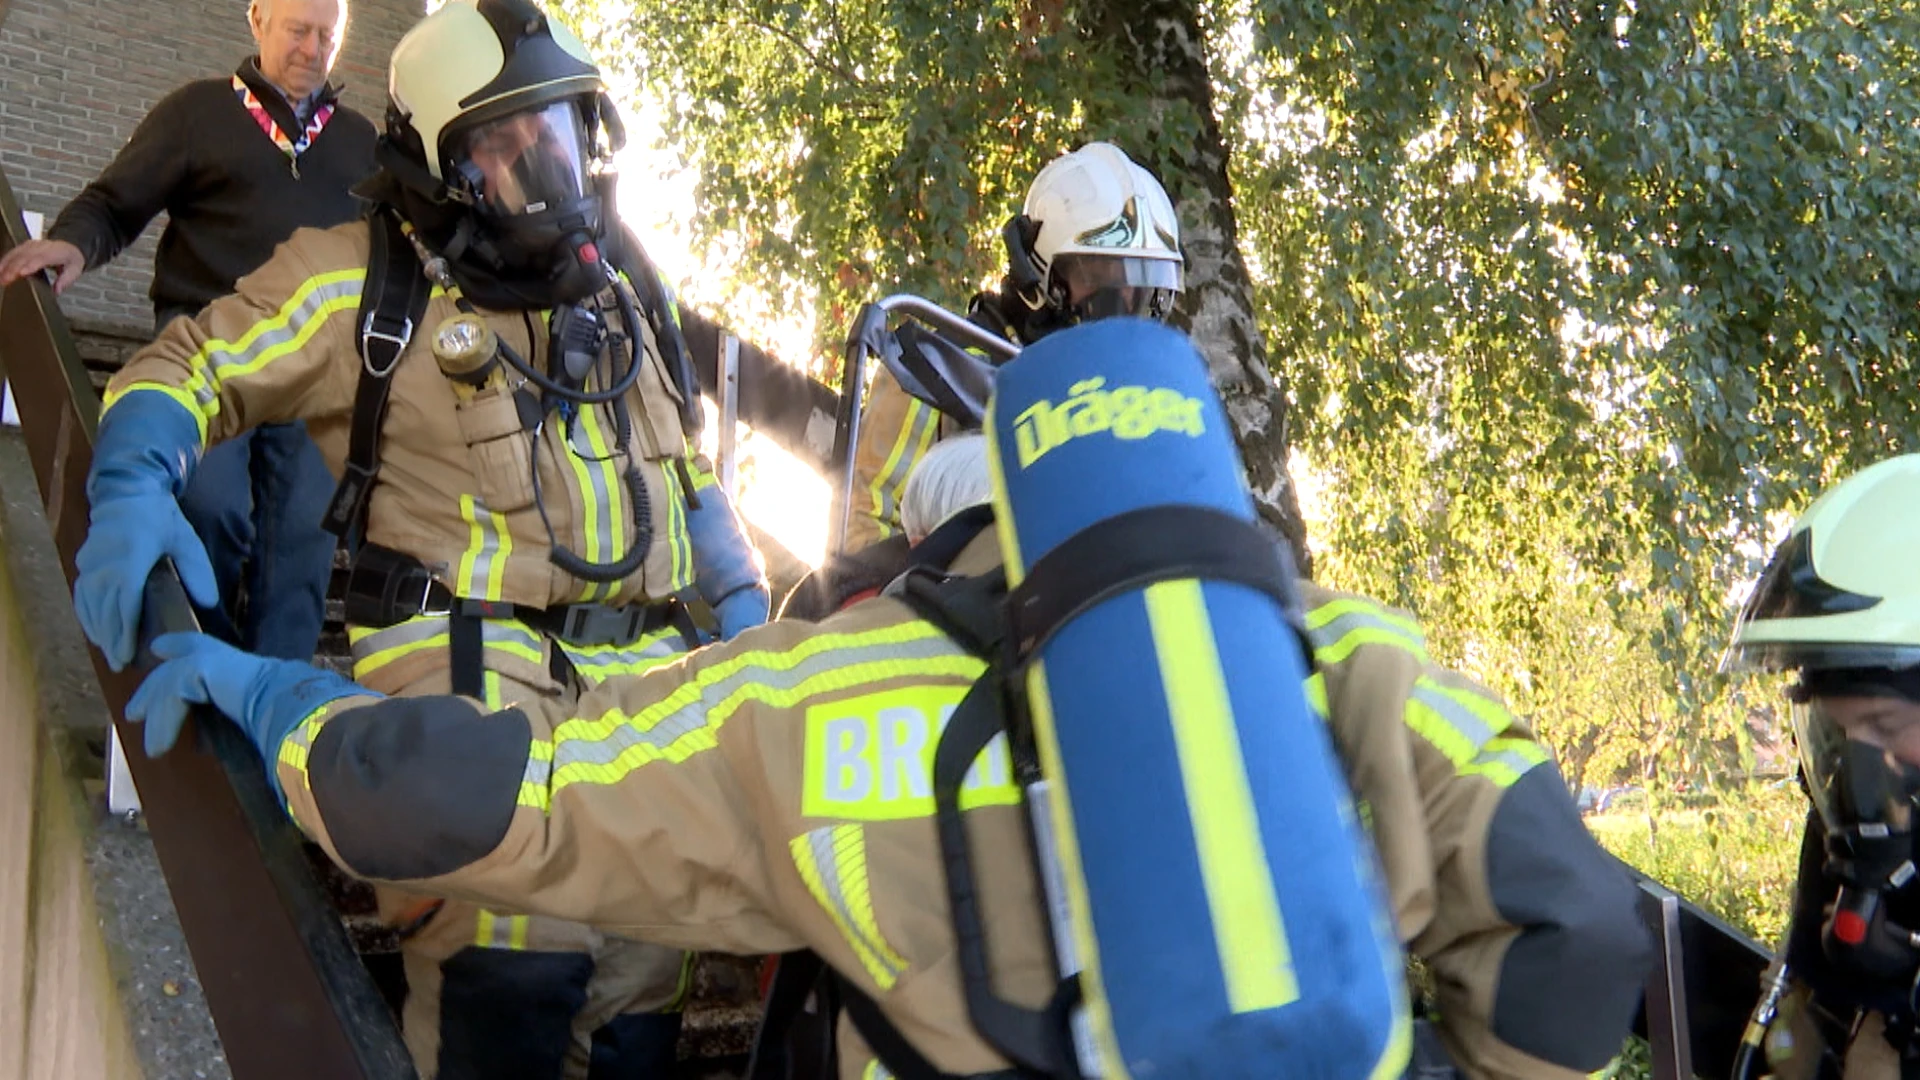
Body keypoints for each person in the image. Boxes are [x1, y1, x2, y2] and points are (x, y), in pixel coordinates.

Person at [116, 320, 1652, 1080]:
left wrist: (274, 696)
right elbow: (1577, 925)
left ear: (930, 538)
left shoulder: (805, 700)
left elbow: (467, 798)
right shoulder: (1359, 655)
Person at [66, 1, 771, 1076]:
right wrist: (132, 483)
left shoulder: (627, 294)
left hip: (650, 703)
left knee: (643, 997)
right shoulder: (361, 280)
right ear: (440, 162)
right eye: (506, 143)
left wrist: (745, 611)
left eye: (562, 133)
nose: (547, 166)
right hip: (469, 693)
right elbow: (186, 366)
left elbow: (687, 478)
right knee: (512, 983)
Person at [0, 0, 375, 662]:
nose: (313, 49)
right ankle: (200, 679)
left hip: (311, 370)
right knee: (212, 507)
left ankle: (274, 717)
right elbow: (114, 204)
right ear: (258, 20)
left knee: (303, 541)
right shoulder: (197, 113)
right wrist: (70, 247)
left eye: (328, 36)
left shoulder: (360, 146)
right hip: (205, 351)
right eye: (298, 31)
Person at [836, 141, 1182, 559]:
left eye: (1144, 294)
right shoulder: (932, 371)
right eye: (1104, 283)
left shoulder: (1141, 411)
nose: (1124, 310)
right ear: (1039, 275)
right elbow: (862, 542)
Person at [1721, 453, 1920, 1079]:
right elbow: (1786, 1049)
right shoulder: (1849, 824)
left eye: (1885, 729)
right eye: (1837, 733)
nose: (1860, 773)